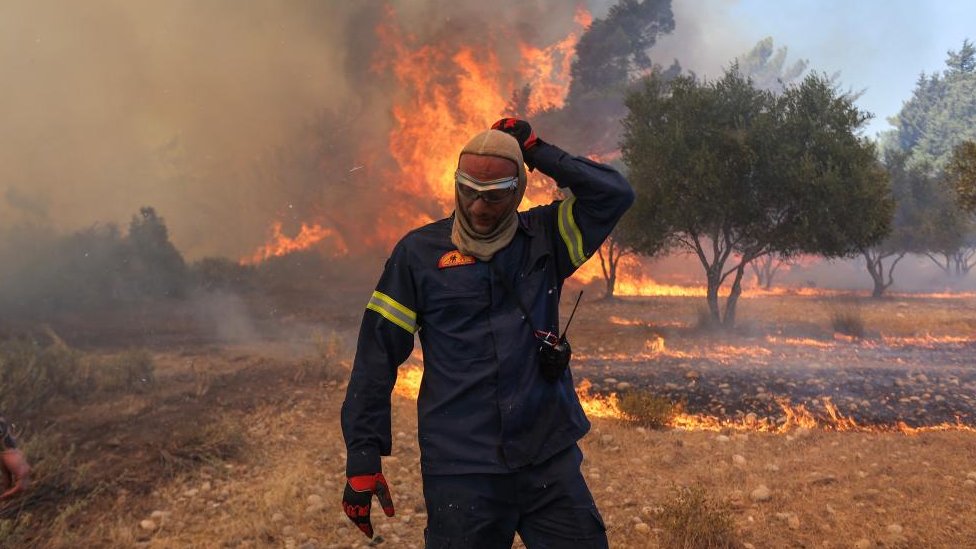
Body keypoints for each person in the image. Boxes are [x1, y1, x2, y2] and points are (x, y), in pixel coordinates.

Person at [340, 118, 634, 548]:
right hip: (462, 471)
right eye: (469, 192)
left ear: (517, 192)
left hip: (546, 460)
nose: (478, 208)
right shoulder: (419, 255)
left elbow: (614, 194)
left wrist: (536, 149)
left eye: (494, 197)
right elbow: (376, 355)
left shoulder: (547, 237)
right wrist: (363, 454)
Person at [0, 416, 31, 500]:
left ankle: (6, 492)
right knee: (6, 476)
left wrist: (4, 496)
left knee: (6, 476)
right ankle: (6, 491)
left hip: (8, 453)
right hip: (9, 453)